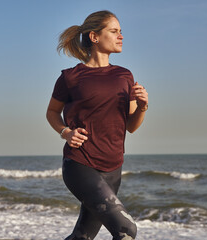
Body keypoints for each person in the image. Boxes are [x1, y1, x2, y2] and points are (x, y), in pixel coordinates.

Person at [46, 10, 148, 240]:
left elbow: (131, 126)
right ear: (94, 37)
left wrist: (142, 106)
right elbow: (52, 112)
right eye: (114, 31)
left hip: (113, 166)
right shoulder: (71, 77)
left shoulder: (125, 76)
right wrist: (66, 132)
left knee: (82, 236)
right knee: (126, 230)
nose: (120, 36)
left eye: (121, 32)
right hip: (80, 164)